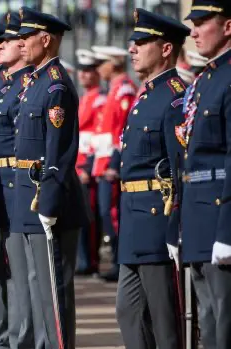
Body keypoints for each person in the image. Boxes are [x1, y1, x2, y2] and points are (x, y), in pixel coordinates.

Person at [114, 9, 190, 348]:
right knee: (128, 311)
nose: (132, 49)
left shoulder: (173, 97)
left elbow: (180, 166)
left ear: (165, 49)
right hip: (134, 218)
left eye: (142, 42)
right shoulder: (146, 95)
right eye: (133, 42)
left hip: (158, 219)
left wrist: (177, 224)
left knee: (163, 321)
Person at [11, 7, 86, 349]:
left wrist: (50, 202)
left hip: (46, 198)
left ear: (46, 39)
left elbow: (59, 151)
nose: (21, 42)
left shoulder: (55, 86)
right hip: (29, 193)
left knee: (53, 291)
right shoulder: (36, 82)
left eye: (27, 37)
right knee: (36, 285)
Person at [172, 1, 231, 348]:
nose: (193, 31)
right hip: (196, 216)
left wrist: (226, 230)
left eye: (202, 22)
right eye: (192, 23)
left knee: (224, 322)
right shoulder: (204, 79)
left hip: (220, 218)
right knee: (207, 323)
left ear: (227, 27)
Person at [0, 13, 37, 349]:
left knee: (18, 270)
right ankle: (0, 333)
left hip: (16, 183)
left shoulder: (24, 85)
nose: (0, 46)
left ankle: (19, 337)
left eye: (7, 40)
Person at [91, 44, 137, 282]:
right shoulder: (114, 90)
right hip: (103, 162)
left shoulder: (123, 91)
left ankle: (121, 264)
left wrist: (114, 163)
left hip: (111, 163)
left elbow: (122, 131)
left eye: (102, 63)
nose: (99, 68)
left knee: (112, 214)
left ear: (114, 64)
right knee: (105, 214)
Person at [75, 48, 104, 276]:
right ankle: (83, 259)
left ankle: (91, 260)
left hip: (88, 164)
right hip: (78, 163)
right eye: (82, 71)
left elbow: (99, 135)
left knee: (90, 217)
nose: (84, 75)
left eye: (89, 71)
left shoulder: (99, 100)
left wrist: (87, 165)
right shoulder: (84, 98)